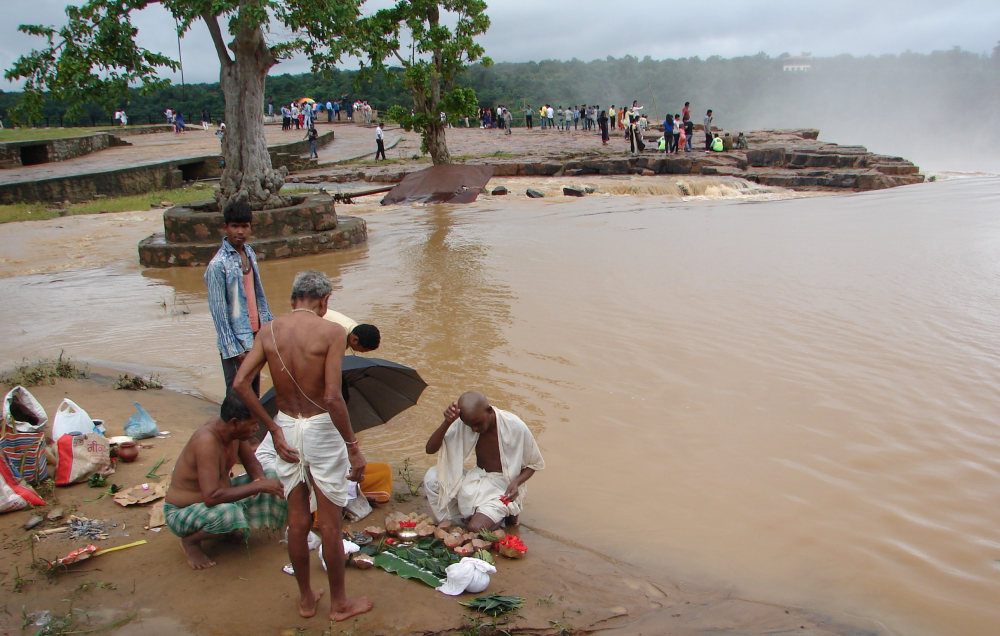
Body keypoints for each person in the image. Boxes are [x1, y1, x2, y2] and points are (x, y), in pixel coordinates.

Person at [233, 270, 373, 622]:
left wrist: (272, 430)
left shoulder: (268, 332)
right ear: (324, 302)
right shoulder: (332, 332)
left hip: (286, 426)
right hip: (322, 428)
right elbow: (332, 397)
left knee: (296, 519)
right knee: (328, 522)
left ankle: (307, 599)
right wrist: (353, 446)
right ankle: (339, 604)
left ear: (293, 298)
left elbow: (240, 383)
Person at [163, 394, 286, 570]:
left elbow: (252, 463)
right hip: (182, 511)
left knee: (271, 476)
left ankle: (226, 531)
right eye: (252, 424)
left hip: (218, 498)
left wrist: (260, 479)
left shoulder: (232, 432)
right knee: (229, 513)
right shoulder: (207, 441)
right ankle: (190, 541)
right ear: (235, 422)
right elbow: (211, 496)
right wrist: (257, 485)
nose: (256, 428)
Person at [423, 391, 544, 532]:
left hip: (503, 488)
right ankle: (456, 523)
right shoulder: (466, 423)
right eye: (470, 426)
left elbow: (534, 464)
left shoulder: (514, 425)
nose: (474, 429)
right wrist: (447, 422)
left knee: (475, 527)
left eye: (477, 424)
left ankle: (502, 515)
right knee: (432, 477)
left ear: (489, 410)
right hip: (477, 479)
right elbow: (430, 449)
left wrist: (516, 483)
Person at [205, 200, 274, 396]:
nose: (240, 231)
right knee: (237, 396)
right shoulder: (218, 265)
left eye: (245, 226)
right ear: (225, 227)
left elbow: (258, 295)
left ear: (251, 228)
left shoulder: (249, 253)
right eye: (235, 226)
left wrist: (268, 329)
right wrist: (233, 349)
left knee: (254, 392)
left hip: (256, 335)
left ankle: (253, 427)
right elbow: (218, 311)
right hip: (236, 341)